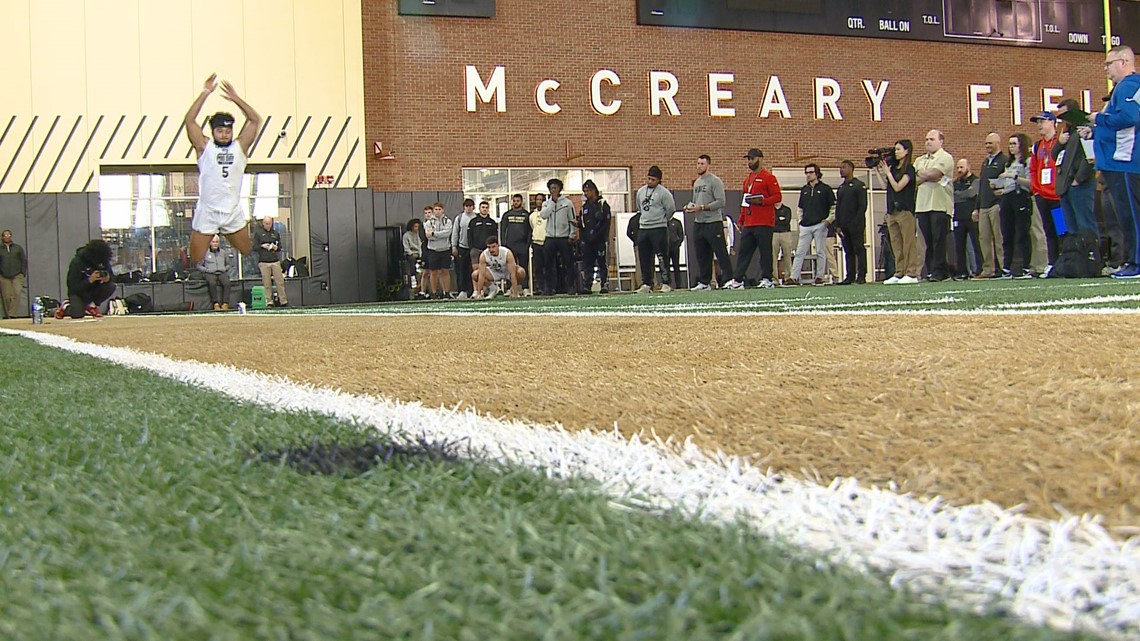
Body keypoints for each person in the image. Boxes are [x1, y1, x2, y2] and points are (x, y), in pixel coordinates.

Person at [184, 74, 261, 265]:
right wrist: (205, 93)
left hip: (231, 210)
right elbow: (190, 121)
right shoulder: (204, 147)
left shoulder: (240, 147)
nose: (224, 134)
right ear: (213, 132)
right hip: (208, 211)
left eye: (228, 131)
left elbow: (254, 120)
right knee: (195, 259)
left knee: (247, 250)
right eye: (220, 131)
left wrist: (235, 99)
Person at [1081, 45, 1140, 278]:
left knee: (1130, 216)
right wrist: (1096, 131)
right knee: (1125, 216)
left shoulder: (1128, 85)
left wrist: (1099, 118)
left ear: (1123, 62)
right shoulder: (1125, 87)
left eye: (1109, 63)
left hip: (1124, 162)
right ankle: (1131, 260)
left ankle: (1136, 263)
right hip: (1120, 161)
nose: (1106, 68)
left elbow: (1129, 117)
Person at [725, 148, 780, 289]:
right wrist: (741, 219)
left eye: (753, 159)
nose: (750, 162)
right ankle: (737, 280)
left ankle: (767, 278)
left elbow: (777, 197)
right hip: (750, 222)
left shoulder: (769, 178)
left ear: (760, 159)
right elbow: (745, 201)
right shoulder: (748, 179)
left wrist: (762, 201)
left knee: (765, 252)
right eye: (749, 159)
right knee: (744, 252)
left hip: (764, 222)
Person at [685, 154, 732, 291]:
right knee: (702, 254)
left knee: (721, 252)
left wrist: (703, 207)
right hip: (699, 222)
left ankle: (729, 279)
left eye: (702, 164)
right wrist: (690, 207)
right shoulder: (697, 183)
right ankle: (705, 282)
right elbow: (695, 200)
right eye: (698, 163)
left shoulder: (715, 181)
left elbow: (721, 201)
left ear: (708, 165)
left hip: (713, 221)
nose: (699, 166)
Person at [1053, 98, 1098, 238]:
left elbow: (1090, 157)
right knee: (1067, 227)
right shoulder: (1068, 132)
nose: (1063, 120)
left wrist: (1079, 178)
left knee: (1084, 222)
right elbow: (1055, 156)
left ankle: (1091, 255)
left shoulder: (1086, 128)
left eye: (1064, 115)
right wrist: (1060, 143)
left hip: (1079, 184)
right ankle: (1074, 255)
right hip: (1064, 186)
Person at [914, 129, 955, 281]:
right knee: (928, 241)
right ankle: (935, 270)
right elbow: (914, 180)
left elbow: (935, 174)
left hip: (940, 204)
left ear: (940, 141)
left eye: (932, 139)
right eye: (926, 139)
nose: (928, 142)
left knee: (939, 240)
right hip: (923, 205)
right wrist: (925, 174)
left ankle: (939, 270)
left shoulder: (946, 157)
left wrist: (922, 173)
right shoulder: (920, 159)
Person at [877, 140, 920, 284]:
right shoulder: (894, 169)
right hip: (892, 211)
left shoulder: (909, 169)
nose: (896, 152)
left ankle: (911, 272)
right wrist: (880, 172)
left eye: (898, 149)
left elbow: (898, 187)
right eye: (895, 149)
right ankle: (899, 271)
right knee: (896, 243)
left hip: (904, 209)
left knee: (908, 242)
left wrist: (888, 173)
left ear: (907, 151)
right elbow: (886, 186)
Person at [1029, 111, 1063, 270]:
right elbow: (1033, 169)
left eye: (1042, 121)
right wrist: (1036, 190)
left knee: (1062, 230)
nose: (1039, 125)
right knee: (1048, 230)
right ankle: (1052, 263)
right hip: (1042, 195)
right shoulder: (1037, 146)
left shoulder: (1061, 141)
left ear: (1052, 123)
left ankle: (1065, 260)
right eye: (1038, 122)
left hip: (1057, 196)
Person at [791, 163, 834, 286]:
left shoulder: (826, 189)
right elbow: (800, 208)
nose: (808, 175)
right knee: (800, 252)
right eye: (806, 173)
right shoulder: (804, 190)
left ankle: (819, 276)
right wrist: (800, 221)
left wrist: (828, 220)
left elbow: (833, 206)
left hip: (820, 224)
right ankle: (794, 277)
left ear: (817, 173)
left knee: (820, 251)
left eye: (810, 172)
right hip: (806, 226)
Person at [634, 166, 676, 292]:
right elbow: (639, 208)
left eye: (653, 179)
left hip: (659, 228)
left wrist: (662, 219)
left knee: (662, 256)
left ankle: (666, 282)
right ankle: (647, 283)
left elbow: (670, 209)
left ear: (659, 180)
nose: (650, 181)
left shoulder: (664, 193)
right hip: (644, 228)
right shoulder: (641, 192)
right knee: (644, 257)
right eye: (649, 178)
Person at [998, 133, 1035, 278]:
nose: (1011, 147)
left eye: (1014, 144)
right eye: (1010, 144)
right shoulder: (1009, 163)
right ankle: (1007, 267)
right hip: (1007, 197)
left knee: (1022, 232)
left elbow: (1031, 184)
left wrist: (1014, 177)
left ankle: (1026, 266)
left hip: (1021, 196)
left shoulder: (1028, 161)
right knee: (1007, 233)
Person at [972, 132, 1007, 279]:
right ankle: (988, 269)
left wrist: (1001, 201)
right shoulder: (985, 162)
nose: (987, 146)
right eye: (986, 143)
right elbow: (982, 187)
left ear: (998, 143)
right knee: (984, 239)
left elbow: (1006, 184)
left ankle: (1002, 268)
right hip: (984, 206)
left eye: (990, 143)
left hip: (996, 204)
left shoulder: (1004, 160)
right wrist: (976, 207)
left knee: (998, 238)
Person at [55, 239, 115, 319]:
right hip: (79, 293)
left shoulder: (103, 262)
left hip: (94, 290)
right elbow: (72, 287)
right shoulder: (77, 262)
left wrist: (108, 279)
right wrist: (89, 280)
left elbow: (112, 277)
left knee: (111, 286)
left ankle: (92, 304)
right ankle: (65, 307)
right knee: (77, 314)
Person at [540, 178, 579, 295]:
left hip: (563, 237)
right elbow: (543, 215)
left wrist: (572, 234)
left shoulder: (567, 203)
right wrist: (552, 203)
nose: (553, 190)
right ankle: (549, 288)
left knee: (568, 262)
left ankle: (571, 286)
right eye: (551, 188)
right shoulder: (546, 203)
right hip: (550, 237)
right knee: (548, 264)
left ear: (560, 189)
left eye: (555, 188)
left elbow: (572, 219)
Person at [834, 160, 868, 284]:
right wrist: (837, 225)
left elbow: (862, 205)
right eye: (840, 167)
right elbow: (838, 207)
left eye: (843, 167)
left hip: (856, 224)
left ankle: (862, 275)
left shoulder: (859, 185)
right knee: (848, 250)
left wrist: (856, 222)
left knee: (859, 249)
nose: (841, 170)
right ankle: (850, 276)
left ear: (851, 169)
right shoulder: (841, 188)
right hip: (844, 224)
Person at [578, 179, 611, 293]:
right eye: (584, 191)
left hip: (599, 240)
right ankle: (587, 285)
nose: (586, 194)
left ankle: (604, 284)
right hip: (587, 242)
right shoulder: (584, 207)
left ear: (593, 190)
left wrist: (599, 236)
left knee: (602, 263)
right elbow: (581, 224)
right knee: (588, 264)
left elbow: (606, 223)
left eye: (587, 191)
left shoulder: (602, 204)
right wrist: (582, 240)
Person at [952, 158, 982, 279]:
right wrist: (962, 194)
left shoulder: (975, 181)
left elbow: (971, 194)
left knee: (976, 243)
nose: (959, 170)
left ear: (968, 167)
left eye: (962, 167)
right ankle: (962, 272)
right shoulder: (955, 183)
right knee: (959, 246)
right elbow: (952, 195)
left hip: (971, 216)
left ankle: (979, 269)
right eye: (958, 167)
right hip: (958, 216)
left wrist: (959, 193)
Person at [252, 216, 288, 306]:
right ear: (263, 223)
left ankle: (283, 300)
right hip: (264, 261)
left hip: (275, 260)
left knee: (280, 282)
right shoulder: (258, 234)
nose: (268, 226)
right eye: (266, 224)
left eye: (270, 224)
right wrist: (262, 246)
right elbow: (254, 247)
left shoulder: (275, 233)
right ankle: (269, 301)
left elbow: (280, 247)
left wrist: (276, 247)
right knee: (267, 283)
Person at [499, 194, 531, 291]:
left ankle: (525, 287)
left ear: (521, 202)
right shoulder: (507, 215)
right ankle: (510, 288)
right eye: (514, 200)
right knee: (509, 267)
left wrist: (527, 245)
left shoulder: (526, 215)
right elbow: (503, 230)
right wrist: (504, 245)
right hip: (510, 245)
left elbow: (530, 232)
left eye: (518, 200)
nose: (516, 202)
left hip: (522, 245)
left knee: (524, 266)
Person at [423, 202, 454, 298]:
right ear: (433, 210)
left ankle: (447, 292)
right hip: (433, 250)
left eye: (439, 209)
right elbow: (428, 236)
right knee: (433, 272)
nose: (437, 211)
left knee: (445, 271)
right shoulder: (429, 222)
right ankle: (434, 292)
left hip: (445, 249)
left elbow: (447, 233)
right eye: (436, 209)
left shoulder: (447, 221)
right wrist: (436, 235)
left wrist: (434, 234)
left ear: (443, 210)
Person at [197, 235, 233, 310]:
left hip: (221, 272)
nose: (215, 244)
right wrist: (206, 270)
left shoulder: (223, 252)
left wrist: (225, 269)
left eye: (216, 242)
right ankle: (215, 303)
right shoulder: (205, 252)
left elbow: (228, 264)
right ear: (210, 243)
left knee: (227, 283)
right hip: (210, 273)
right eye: (213, 242)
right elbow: (199, 266)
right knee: (212, 283)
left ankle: (225, 303)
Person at [451, 199, 477, 298]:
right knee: (461, 270)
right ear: (464, 207)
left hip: (473, 248)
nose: (468, 208)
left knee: (472, 270)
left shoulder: (476, 218)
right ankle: (462, 290)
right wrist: (454, 246)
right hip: (462, 247)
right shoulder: (459, 218)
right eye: (467, 206)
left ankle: (472, 290)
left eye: (470, 206)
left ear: (473, 207)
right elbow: (455, 232)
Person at [0, 229, 28, 318]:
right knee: (6, 296)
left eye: (9, 235)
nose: (7, 236)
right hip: (4, 276)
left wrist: (22, 273)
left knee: (17, 293)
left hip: (17, 275)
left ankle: (12, 314)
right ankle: (8, 315)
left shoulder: (17, 248)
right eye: (5, 235)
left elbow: (24, 260)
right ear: (2, 237)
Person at [528, 194, 547, 294]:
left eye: (541, 200)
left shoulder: (548, 213)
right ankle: (540, 287)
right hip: (536, 243)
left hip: (546, 242)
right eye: (537, 200)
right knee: (538, 267)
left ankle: (549, 287)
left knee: (548, 266)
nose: (539, 201)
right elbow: (532, 227)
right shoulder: (532, 215)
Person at [772, 204, 795, 285]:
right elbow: (772, 220)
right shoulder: (771, 209)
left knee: (787, 255)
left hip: (785, 233)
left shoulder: (787, 209)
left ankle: (788, 277)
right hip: (773, 233)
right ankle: (775, 279)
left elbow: (786, 221)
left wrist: (777, 220)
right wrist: (779, 219)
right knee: (773, 256)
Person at [403, 218, 426, 298]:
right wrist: (412, 253)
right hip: (410, 255)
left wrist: (420, 254)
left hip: (420, 254)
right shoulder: (406, 235)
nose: (417, 228)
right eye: (415, 226)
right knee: (412, 262)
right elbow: (406, 248)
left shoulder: (420, 234)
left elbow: (421, 246)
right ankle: (413, 282)